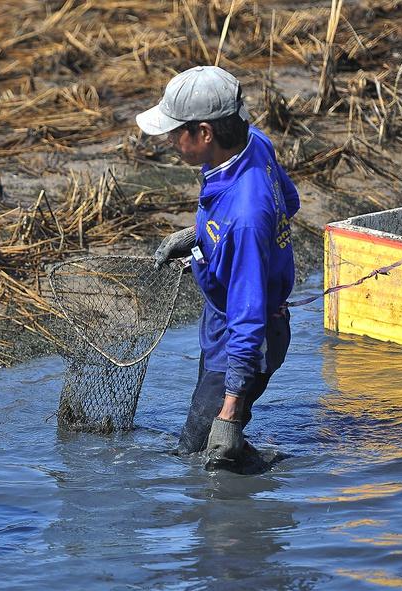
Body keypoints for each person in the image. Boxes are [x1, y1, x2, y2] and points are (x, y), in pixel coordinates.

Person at [138, 65, 298, 470]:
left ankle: (261, 468)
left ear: (205, 133)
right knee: (203, 441)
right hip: (222, 323)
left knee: (199, 455)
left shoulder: (245, 218)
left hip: (245, 338)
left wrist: (229, 413)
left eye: (176, 132)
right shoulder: (254, 143)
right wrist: (202, 235)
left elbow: (248, 321)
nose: (170, 141)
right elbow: (290, 202)